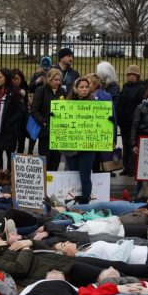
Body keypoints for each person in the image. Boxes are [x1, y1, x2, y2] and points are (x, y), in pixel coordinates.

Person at [62, 77, 99, 205]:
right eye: (81, 87)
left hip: (87, 146)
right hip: (70, 147)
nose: (84, 89)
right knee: (72, 177)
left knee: (85, 177)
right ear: (75, 89)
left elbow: (99, 124)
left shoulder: (96, 105)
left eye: (86, 87)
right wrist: (54, 117)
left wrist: (107, 120)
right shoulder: (66, 104)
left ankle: (84, 205)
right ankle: (71, 204)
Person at [0, 68, 26, 185]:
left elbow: (21, 110)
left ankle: (9, 174)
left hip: (8, 128)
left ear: (7, 78)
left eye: (0, 77)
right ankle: (0, 174)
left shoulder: (14, 93)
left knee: (9, 151)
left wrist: (10, 121)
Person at [32, 68, 67, 172]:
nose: (58, 82)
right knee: (45, 161)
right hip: (45, 133)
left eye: (59, 80)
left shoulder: (62, 91)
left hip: (58, 133)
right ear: (49, 79)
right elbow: (34, 110)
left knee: (56, 161)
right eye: (55, 80)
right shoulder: (40, 91)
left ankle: (53, 186)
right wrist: (43, 122)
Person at [117, 65, 146, 177]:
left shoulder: (141, 88)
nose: (131, 77)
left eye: (133, 75)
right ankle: (126, 167)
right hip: (124, 122)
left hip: (134, 122)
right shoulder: (125, 86)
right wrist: (120, 118)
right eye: (129, 75)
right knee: (125, 144)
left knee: (132, 145)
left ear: (137, 76)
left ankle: (133, 168)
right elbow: (121, 103)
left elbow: (140, 106)